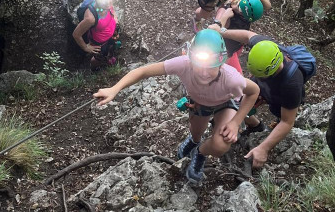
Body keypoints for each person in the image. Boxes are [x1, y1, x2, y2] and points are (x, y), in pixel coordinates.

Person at [93, 29, 259, 184]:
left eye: (211, 67)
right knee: (196, 133)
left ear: (221, 64)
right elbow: (143, 71)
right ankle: (195, 141)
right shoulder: (183, 64)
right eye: (199, 65)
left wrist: (235, 122)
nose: (204, 72)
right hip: (200, 102)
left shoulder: (232, 78)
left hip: (225, 102)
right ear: (190, 60)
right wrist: (114, 89)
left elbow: (254, 91)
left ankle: (200, 152)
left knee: (220, 145)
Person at [210, 29, 307, 168]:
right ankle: (256, 126)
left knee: (280, 117)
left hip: (279, 95)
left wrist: (263, 148)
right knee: (238, 103)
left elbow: (287, 121)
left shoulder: (291, 84)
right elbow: (248, 36)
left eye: (260, 75)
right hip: (262, 86)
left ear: (270, 71)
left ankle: (270, 130)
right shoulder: (264, 47)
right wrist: (222, 31)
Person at [210, 0, 271, 73]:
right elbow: (213, 33)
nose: (236, 8)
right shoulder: (225, 11)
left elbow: (268, 6)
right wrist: (225, 17)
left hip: (237, 44)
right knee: (234, 73)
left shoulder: (249, 0)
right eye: (239, 7)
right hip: (226, 49)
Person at [72, 0, 120, 70]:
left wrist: (115, 25)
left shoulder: (107, 2)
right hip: (99, 43)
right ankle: (94, 68)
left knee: (110, 48)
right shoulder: (91, 17)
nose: (108, 2)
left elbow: (112, 11)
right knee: (99, 58)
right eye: (103, 0)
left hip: (110, 35)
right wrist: (86, 47)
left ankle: (109, 57)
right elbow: (76, 34)